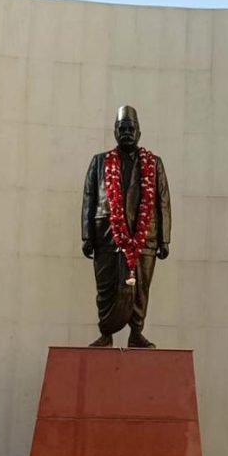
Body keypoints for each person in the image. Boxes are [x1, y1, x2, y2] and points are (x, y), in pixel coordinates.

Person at [81, 106, 171, 348]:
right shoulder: (99, 162)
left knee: (141, 288)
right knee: (106, 287)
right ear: (114, 132)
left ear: (139, 132)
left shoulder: (154, 163)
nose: (127, 132)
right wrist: (87, 235)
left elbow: (162, 201)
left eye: (131, 128)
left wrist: (164, 239)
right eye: (122, 128)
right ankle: (106, 333)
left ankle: (136, 333)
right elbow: (89, 197)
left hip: (145, 237)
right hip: (106, 236)